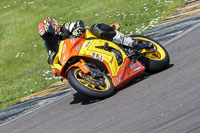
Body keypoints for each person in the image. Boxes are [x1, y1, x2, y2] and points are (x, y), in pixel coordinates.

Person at [37, 17, 138, 75]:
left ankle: (127, 41)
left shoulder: (65, 28)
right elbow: (52, 55)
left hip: (90, 40)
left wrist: (77, 32)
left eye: (49, 33)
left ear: (54, 26)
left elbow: (78, 23)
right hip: (79, 53)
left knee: (96, 28)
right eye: (45, 36)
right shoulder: (49, 44)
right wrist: (52, 62)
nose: (48, 37)